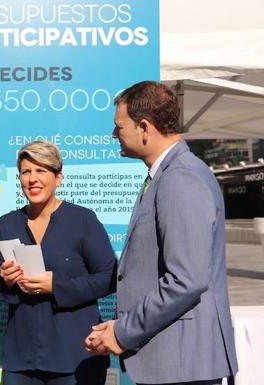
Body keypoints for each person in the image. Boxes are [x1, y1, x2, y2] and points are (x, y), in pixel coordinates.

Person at [85, 81, 238, 385]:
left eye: (119, 126)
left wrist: (122, 332)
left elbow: (186, 280)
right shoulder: (172, 173)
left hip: (182, 363)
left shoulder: (180, 178)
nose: (114, 134)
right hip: (175, 360)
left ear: (144, 126)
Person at [0, 140, 115, 385]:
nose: (32, 178)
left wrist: (56, 286)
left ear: (58, 178)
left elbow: (108, 277)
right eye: (26, 172)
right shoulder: (7, 223)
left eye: (41, 170)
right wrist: (5, 281)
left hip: (76, 357)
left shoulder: (83, 220)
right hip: (21, 361)